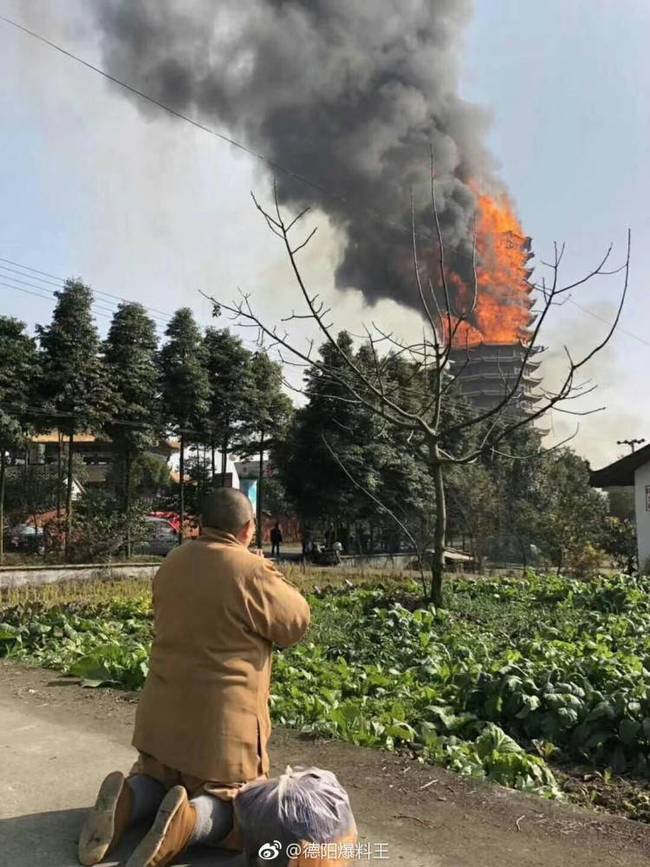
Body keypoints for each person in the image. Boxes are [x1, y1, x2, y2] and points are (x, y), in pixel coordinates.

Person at [78, 488, 311, 867]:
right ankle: (190, 824)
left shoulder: (172, 561)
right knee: (239, 808)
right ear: (249, 529)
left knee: (159, 779)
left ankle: (128, 800)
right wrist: (268, 569)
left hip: (159, 723)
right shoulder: (251, 571)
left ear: (201, 525)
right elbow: (296, 622)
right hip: (220, 732)